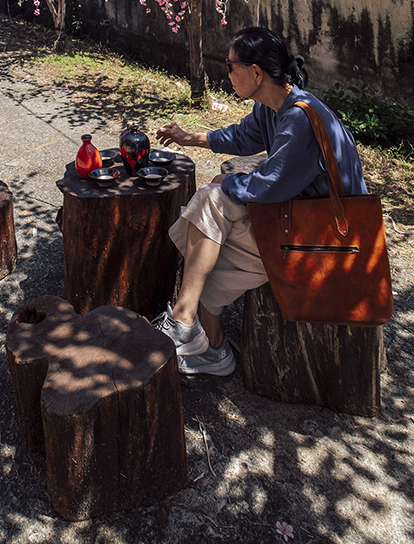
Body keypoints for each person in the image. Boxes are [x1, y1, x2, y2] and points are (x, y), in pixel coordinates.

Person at [152, 26, 367, 377]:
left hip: (323, 240)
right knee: (210, 219)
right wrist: (188, 138)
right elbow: (241, 136)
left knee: (210, 225)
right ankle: (195, 331)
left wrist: (228, 180)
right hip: (296, 215)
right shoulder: (273, 106)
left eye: (231, 65)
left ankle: (200, 336)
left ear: (256, 72)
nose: (228, 72)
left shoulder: (299, 118)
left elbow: (270, 186)